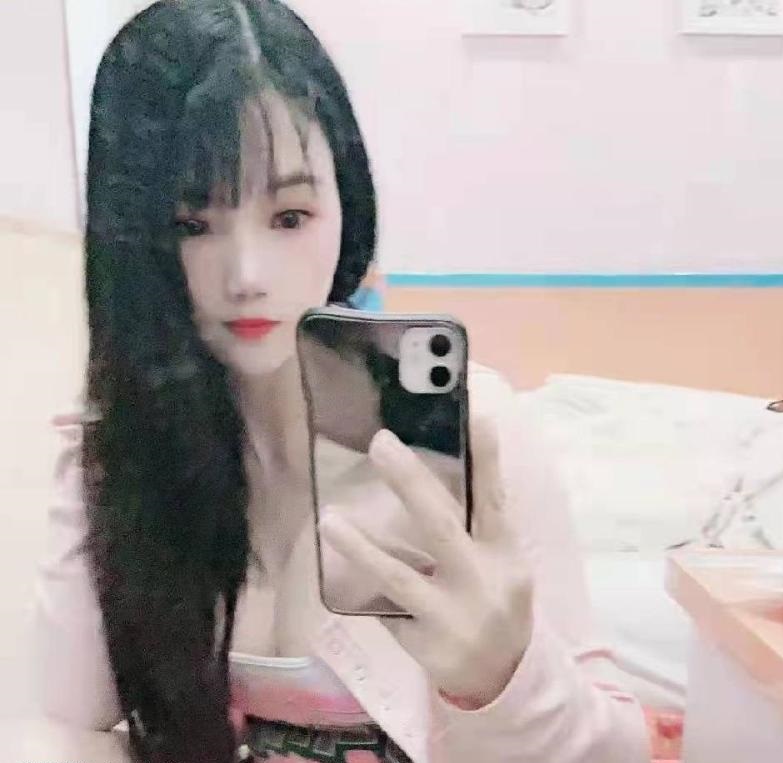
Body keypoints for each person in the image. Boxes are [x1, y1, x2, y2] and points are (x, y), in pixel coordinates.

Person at [32, 1, 649, 761]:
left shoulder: (471, 430)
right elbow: (64, 721)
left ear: (345, 203)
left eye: (289, 216)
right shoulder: (129, 448)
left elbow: (621, 749)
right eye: (192, 224)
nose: (247, 275)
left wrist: (504, 679)